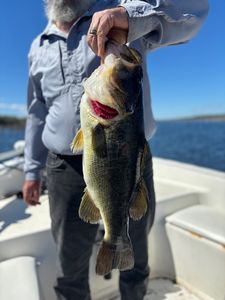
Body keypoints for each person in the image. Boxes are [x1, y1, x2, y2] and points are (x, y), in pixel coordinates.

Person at [23, 1, 209, 299]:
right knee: (69, 267)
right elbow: (36, 113)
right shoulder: (37, 47)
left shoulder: (123, 12)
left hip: (130, 162)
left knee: (137, 261)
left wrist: (130, 15)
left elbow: (194, 13)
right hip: (62, 171)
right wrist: (32, 170)